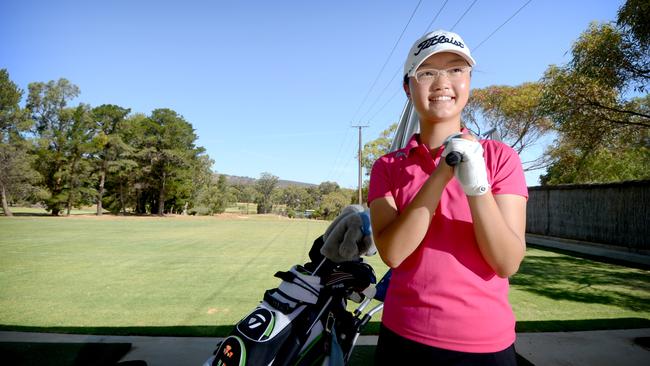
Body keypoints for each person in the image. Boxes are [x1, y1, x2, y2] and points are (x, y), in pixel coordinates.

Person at [368, 29, 528, 365]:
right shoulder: (387, 167)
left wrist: (477, 186)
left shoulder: (500, 158)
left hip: (485, 345)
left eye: (456, 69)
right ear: (408, 87)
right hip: (403, 337)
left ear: (469, 80)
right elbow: (394, 254)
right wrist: (442, 173)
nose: (443, 82)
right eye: (427, 72)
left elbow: (506, 262)